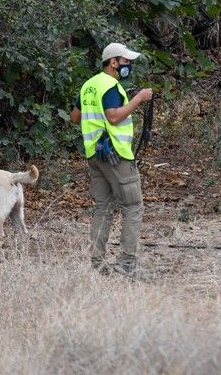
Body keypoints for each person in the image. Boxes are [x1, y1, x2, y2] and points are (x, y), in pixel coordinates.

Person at [70, 43, 153, 276]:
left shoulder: (89, 85)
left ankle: (97, 264)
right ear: (113, 62)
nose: (129, 65)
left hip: (95, 155)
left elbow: (75, 117)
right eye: (125, 61)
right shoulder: (111, 86)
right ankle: (128, 264)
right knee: (133, 206)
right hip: (116, 155)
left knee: (103, 208)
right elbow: (114, 117)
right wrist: (139, 99)